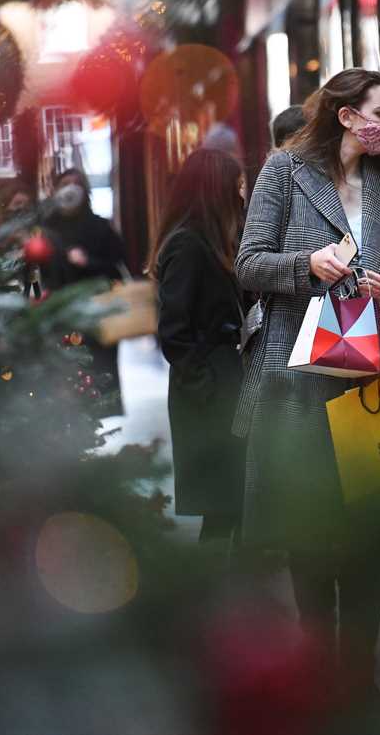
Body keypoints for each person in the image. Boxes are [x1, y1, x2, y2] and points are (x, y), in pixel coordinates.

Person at [233, 68, 380, 712]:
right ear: (345, 116)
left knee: (366, 539)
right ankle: (317, 677)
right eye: (379, 112)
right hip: (298, 379)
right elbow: (249, 262)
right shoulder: (285, 171)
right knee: (311, 535)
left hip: (372, 375)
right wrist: (306, 265)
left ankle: (359, 679)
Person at [150, 149, 248, 544]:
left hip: (223, 379)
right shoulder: (189, 245)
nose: (242, 195)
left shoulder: (211, 239)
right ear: (216, 190)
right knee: (223, 504)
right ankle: (218, 596)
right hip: (210, 389)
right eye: (236, 186)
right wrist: (205, 385)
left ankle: (226, 591)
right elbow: (174, 331)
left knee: (229, 501)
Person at [42, 167, 127, 411]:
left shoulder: (100, 227)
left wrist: (88, 262)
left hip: (96, 310)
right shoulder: (45, 228)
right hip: (58, 309)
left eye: (76, 183)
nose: (70, 189)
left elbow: (117, 264)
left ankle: (105, 407)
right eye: (64, 183)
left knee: (101, 364)